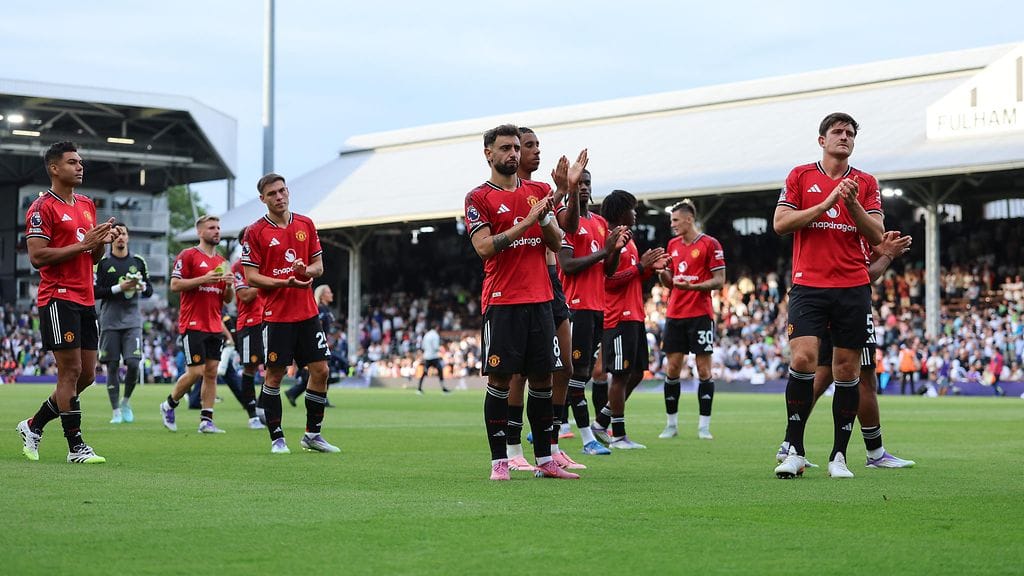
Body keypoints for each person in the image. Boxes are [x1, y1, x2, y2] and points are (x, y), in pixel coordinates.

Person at [464, 123, 582, 480]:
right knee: (500, 379)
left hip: (541, 298)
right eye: (505, 148)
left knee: (544, 379)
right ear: (489, 154)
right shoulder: (478, 197)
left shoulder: (539, 190)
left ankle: (545, 460)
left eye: (516, 148)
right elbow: (484, 247)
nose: (513, 154)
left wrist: (550, 208)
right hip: (502, 301)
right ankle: (500, 460)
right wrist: (527, 221)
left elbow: (554, 241)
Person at [773, 112, 885, 479]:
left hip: (852, 286)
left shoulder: (865, 182)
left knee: (846, 370)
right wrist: (825, 204)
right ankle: (795, 450)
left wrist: (851, 204)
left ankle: (839, 456)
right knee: (804, 359)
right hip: (809, 284)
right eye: (837, 132)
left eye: (850, 133)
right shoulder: (800, 176)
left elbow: (878, 235)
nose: (845, 137)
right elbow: (780, 224)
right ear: (821, 140)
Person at [776, 231, 916, 469]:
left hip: (819, 302)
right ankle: (875, 451)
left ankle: (790, 442)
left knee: (819, 376)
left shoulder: (834, 230)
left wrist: (877, 250)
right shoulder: (852, 225)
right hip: (848, 305)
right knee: (863, 376)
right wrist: (887, 256)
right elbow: (863, 275)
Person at [17, 140, 115, 463]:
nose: (80, 166)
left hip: (86, 297)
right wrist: (84, 244)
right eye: (72, 161)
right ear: (54, 168)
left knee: (87, 375)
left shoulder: (87, 204)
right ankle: (76, 447)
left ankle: (33, 425)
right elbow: (37, 257)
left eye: (80, 161)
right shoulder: (41, 207)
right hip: (58, 297)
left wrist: (99, 244)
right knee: (70, 372)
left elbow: (93, 255)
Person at [504, 126, 588, 472]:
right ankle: (512, 448)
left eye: (538, 144)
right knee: (520, 373)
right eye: (529, 146)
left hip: (551, 282)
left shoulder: (541, 189)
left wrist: (570, 191)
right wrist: (560, 189)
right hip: (522, 284)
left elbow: (567, 225)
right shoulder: (514, 191)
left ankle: (550, 446)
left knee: (563, 367)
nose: (536, 151)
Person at [242, 173, 339, 454]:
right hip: (276, 316)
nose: (279, 196)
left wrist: (303, 271)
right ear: (263, 199)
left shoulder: (305, 224)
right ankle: (277, 438)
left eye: (282, 191)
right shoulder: (255, 231)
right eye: (272, 193)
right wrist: (285, 281)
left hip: (307, 312)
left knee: (321, 370)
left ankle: (312, 435)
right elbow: (251, 277)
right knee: (275, 374)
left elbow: (318, 267)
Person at [591, 190, 668, 449]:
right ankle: (618, 435)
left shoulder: (630, 241)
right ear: (621, 212)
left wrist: (648, 269)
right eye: (632, 209)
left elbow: (631, 277)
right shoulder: (610, 239)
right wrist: (639, 267)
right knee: (621, 376)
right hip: (618, 316)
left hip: (634, 313)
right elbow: (608, 281)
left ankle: (601, 421)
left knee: (637, 372)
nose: (636, 213)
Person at [557, 168, 626, 456]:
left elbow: (607, 272)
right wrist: (603, 251)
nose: (584, 187)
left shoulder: (599, 222)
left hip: (598, 308)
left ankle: (549, 425)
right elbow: (568, 265)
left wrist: (616, 250)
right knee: (575, 374)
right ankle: (586, 439)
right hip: (576, 308)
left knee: (582, 374)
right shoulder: (566, 222)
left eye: (587, 183)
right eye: (579, 183)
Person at [656, 199, 725, 440]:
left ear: (688, 219)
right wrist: (661, 272)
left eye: (675, 220)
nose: (672, 224)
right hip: (675, 313)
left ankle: (704, 426)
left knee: (703, 369)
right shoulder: (672, 244)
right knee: (672, 368)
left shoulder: (710, 244)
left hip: (700, 315)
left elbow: (719, 280)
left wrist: (694, 286)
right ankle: (671, 424)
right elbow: (670, 282)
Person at [159, 215, 234, 433]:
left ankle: (206, 421)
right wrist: (203, 279)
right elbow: (174, 285)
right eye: (212, 227)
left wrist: (228, 286)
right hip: (193, 323)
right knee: (196, 373)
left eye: (219, 227)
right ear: (200, 232)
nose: (217, 231)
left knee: (211, 373)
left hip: (214, 325)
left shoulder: (222, 263)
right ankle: (169, 404)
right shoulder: (188, 255)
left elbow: (227, 299)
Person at [94, 222, 153, 424]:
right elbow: (95, 291)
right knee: (111, 366)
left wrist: (140, 285)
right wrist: (119, 288)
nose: (120, 237)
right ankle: (116, 411)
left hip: (132, 321)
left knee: (134, 364)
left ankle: (126, 401)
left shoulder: (138, 262)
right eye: (116, 234)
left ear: (128, 237)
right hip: (109, 321)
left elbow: (149, 291)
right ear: (111, 238)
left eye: (123, 234)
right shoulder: (102, 263)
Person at [230, 233, 267, 429]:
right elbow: (244, 296)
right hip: (249, 323)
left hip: (270, 320)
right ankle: (252, 415)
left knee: (276, 366)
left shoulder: (267, 262)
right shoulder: (238, 267)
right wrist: (264, 280)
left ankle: (261, 407)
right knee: (250, 368)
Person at [285, 284, 339, 407]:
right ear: (322, 295)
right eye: (329, 292)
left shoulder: (326, 309)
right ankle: (318, 398)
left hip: (322, 342)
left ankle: (294, 393)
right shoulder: (319, 309)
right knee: (320, 373)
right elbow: (317, 326)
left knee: (319, 373)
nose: (331, 294)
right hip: (317, 343)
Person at [417, 323, 450, 394]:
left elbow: (423, 346)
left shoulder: (426, 334)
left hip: (427, 356)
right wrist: (440, 348)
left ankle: (419, 388)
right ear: (437, 327)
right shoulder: (435, 335)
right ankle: (443, 388)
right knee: (440, 371)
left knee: (424, 372)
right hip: (434, 357)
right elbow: (435, 347)